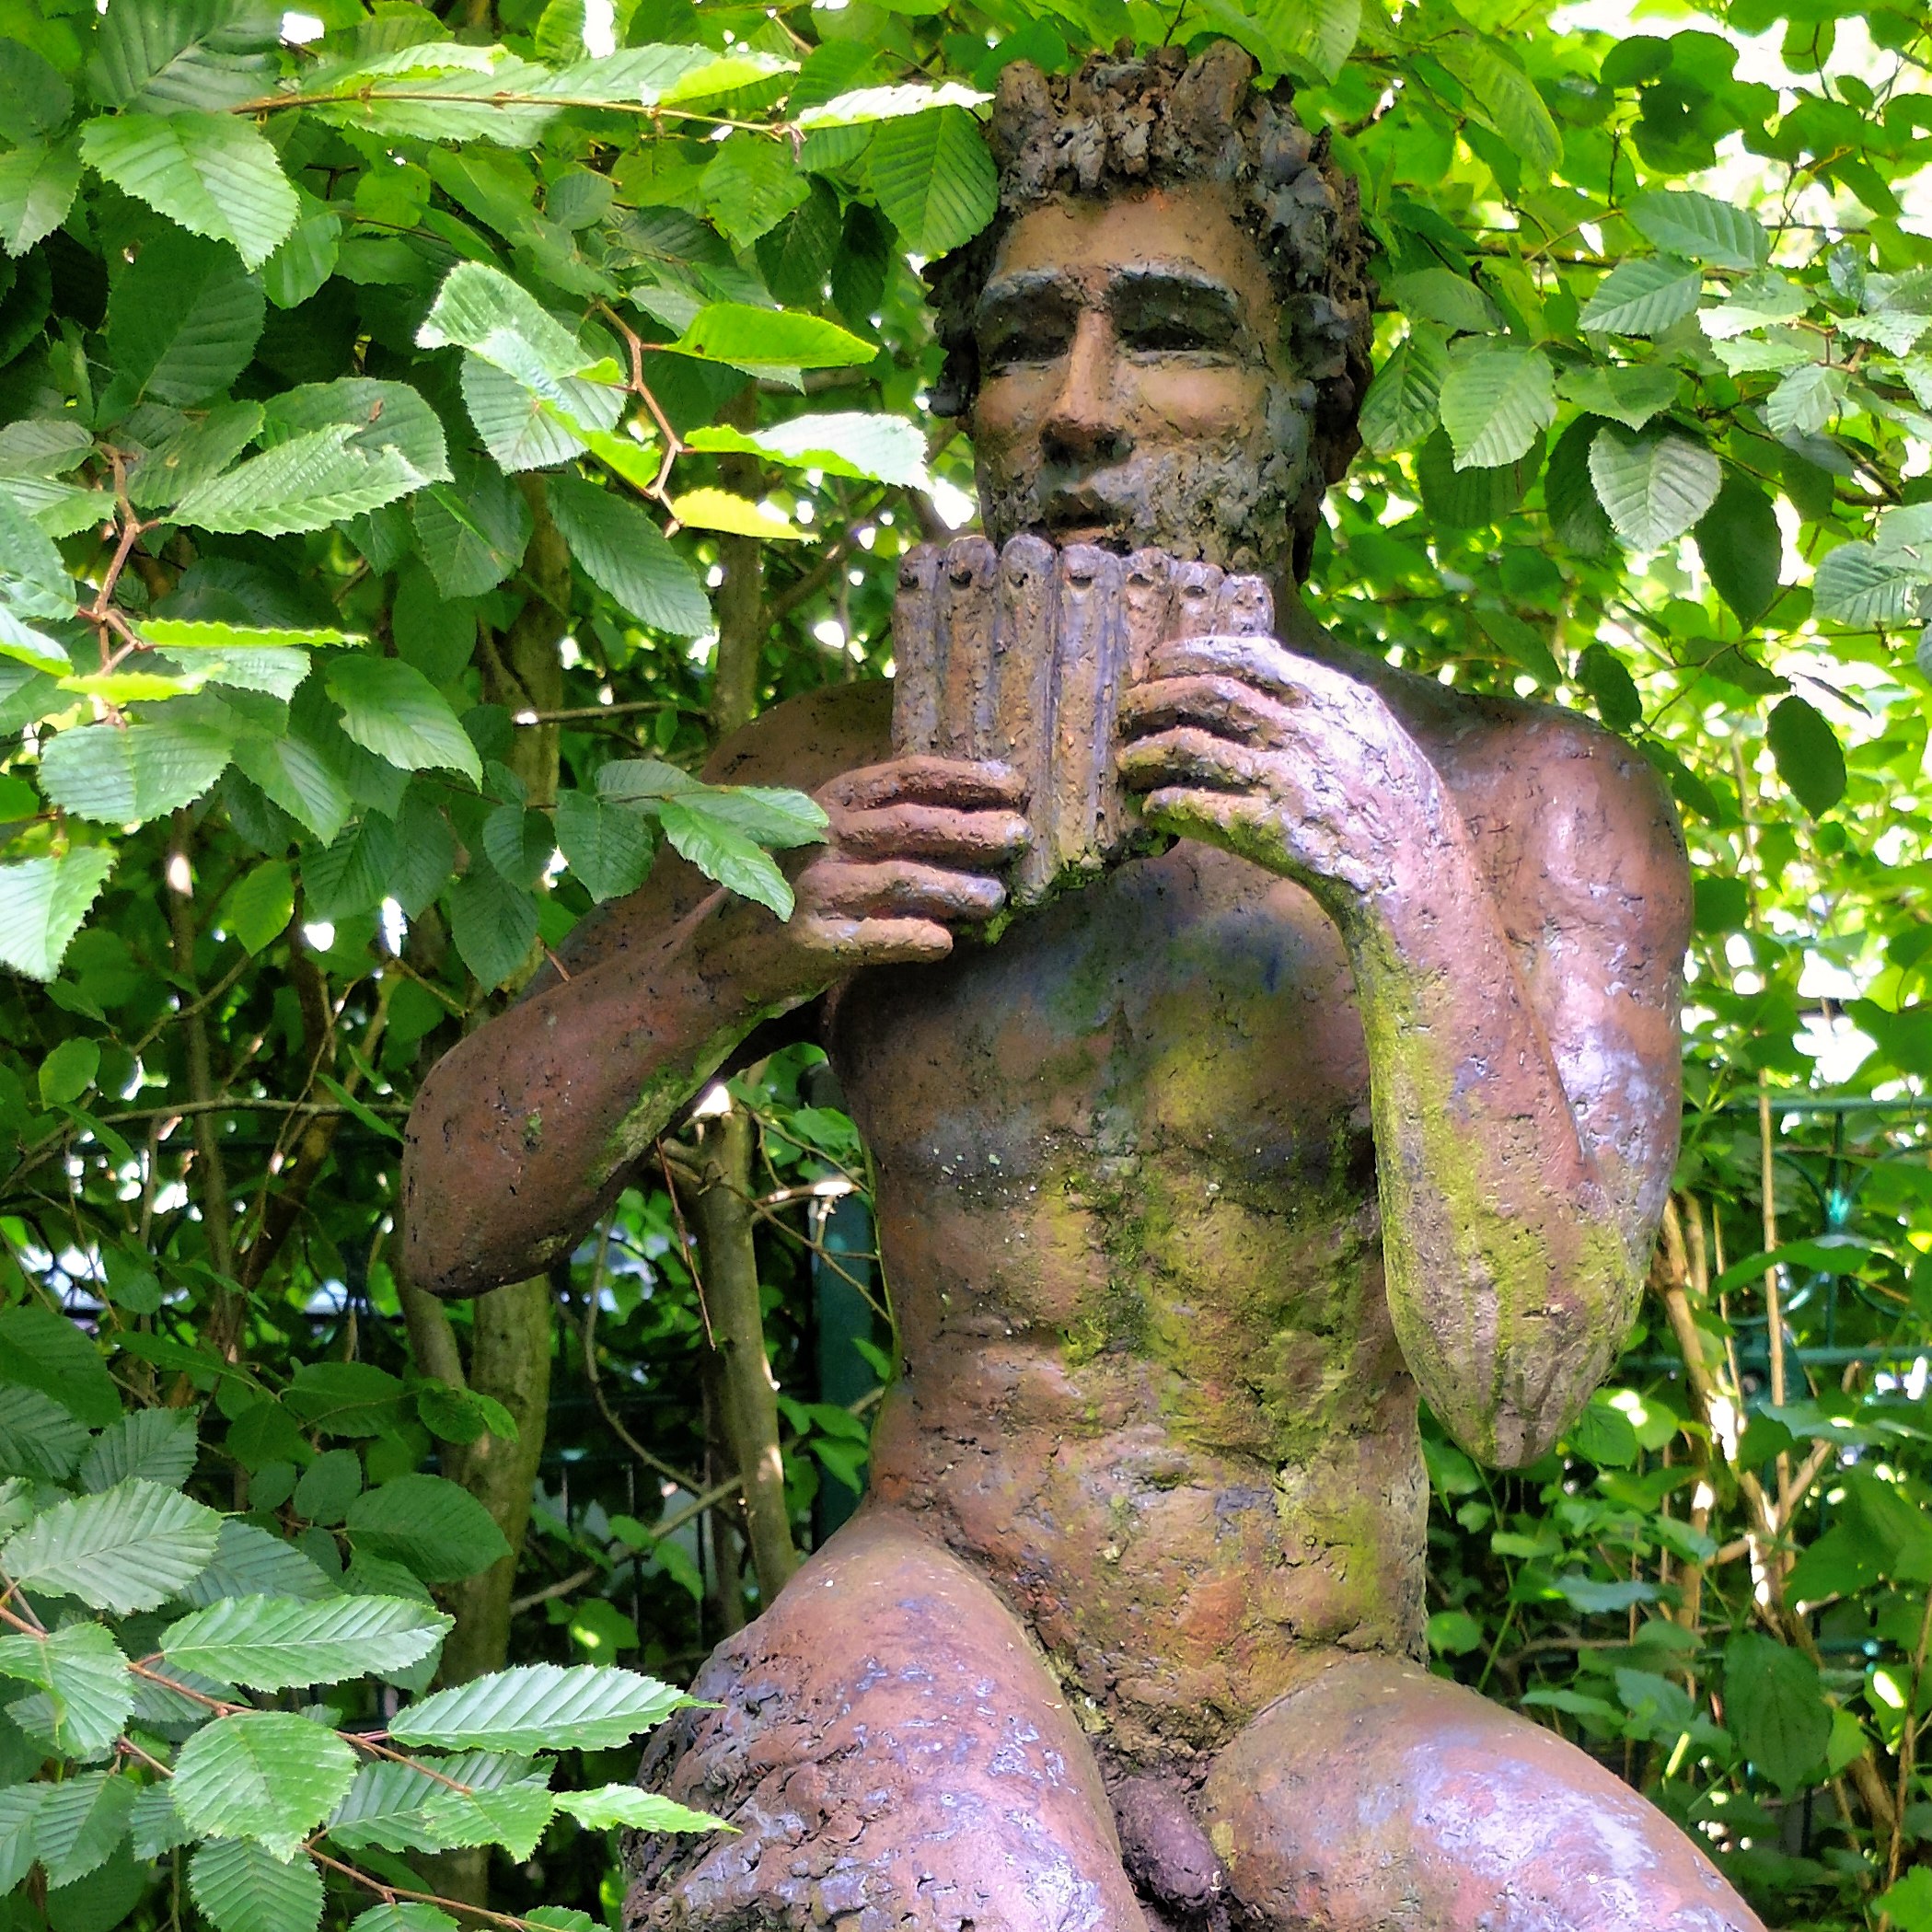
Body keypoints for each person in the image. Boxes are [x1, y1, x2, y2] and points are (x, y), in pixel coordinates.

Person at [404, 42, 1757, 1932]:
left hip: (1309, 1692)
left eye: (1173, 337)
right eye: (1023, 342)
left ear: (1317, 414)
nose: (1077, 409)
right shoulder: (831, 767)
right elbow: (451, 1216)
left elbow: (1519, 1390)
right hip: (935, 1613)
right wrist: (733, 954)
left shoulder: (1527, 802)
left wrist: (1406, 888)